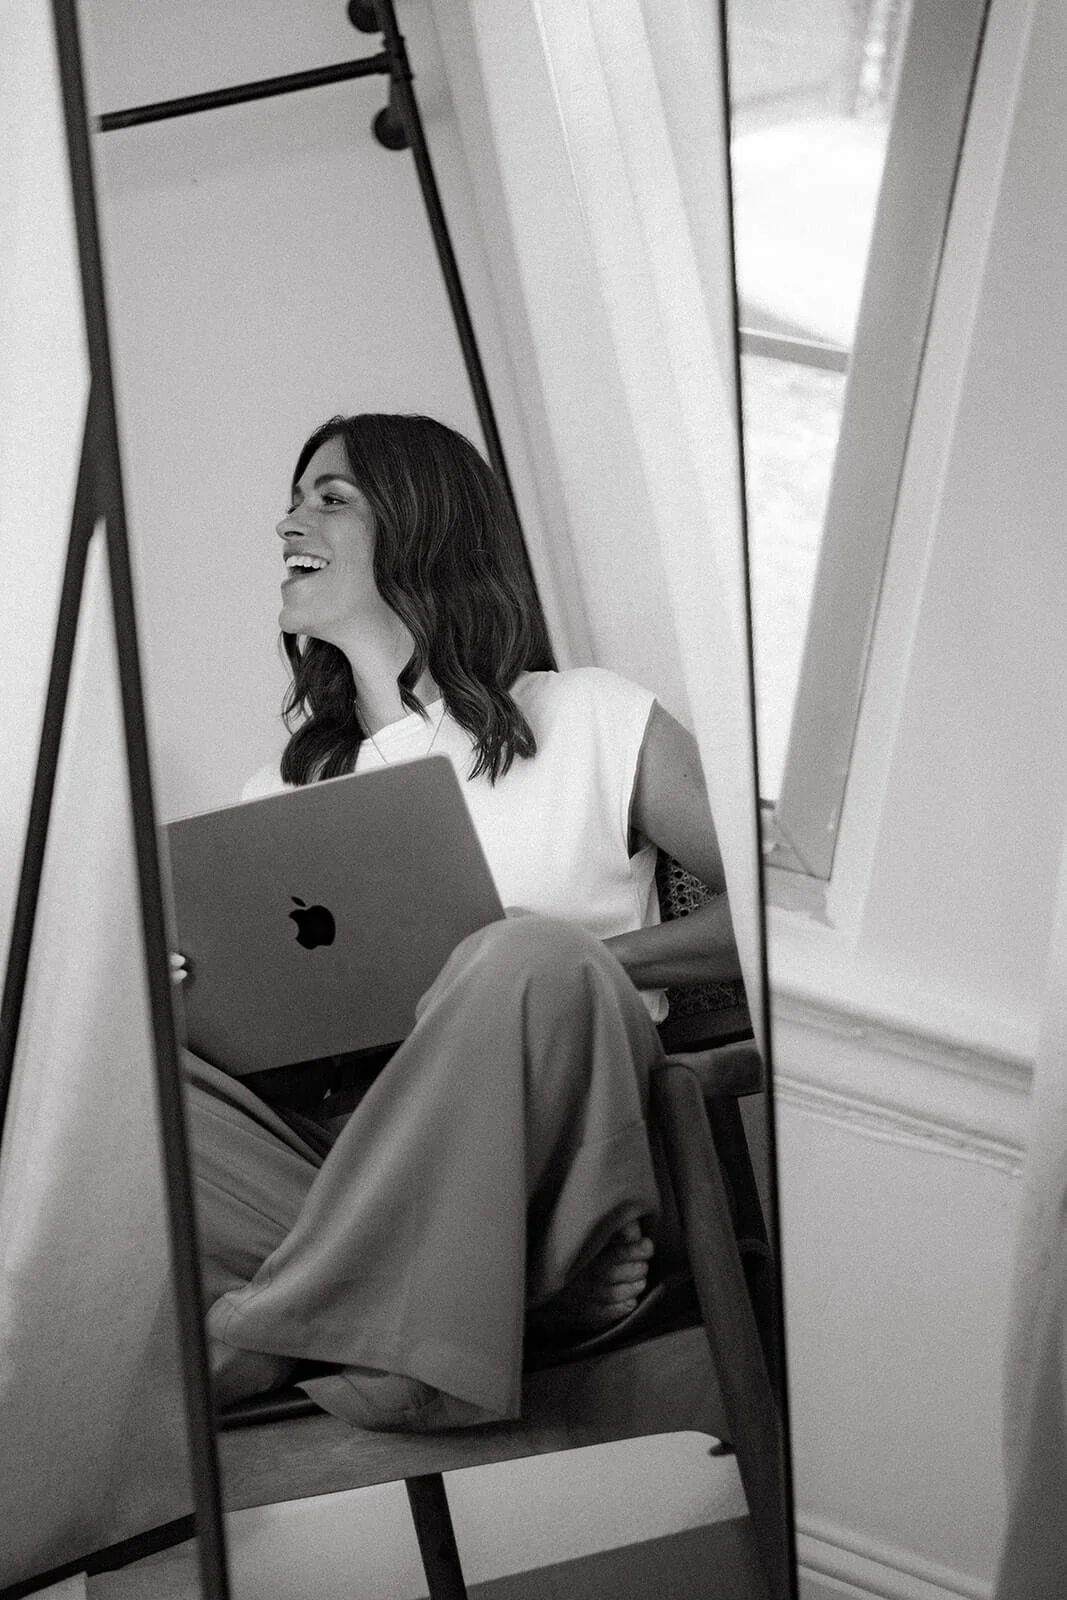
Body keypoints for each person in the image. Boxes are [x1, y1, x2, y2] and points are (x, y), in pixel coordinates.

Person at [181, 412, 741, 1432]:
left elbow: (769, 915)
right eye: (294, 499)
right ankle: (508, 1289)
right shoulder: (279, 792)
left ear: (422, 524)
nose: (287, 523)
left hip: (551, 1145)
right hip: (346, 1154)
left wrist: (573, 957)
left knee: (524, 956)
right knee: (125, 1057)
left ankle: (276, 1328)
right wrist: (195, 1002)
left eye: (329, 499)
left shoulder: (589, 714)